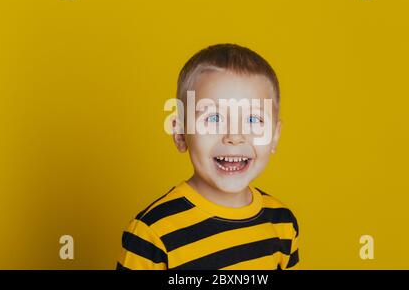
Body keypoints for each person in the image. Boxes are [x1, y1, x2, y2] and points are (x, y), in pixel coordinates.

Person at [117, 44, 299, 270]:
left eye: (253, 120)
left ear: (274, 136)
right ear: (180, 133)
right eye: (213, 118)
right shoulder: (152, 233)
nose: (234, 136)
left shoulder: (281, 223)